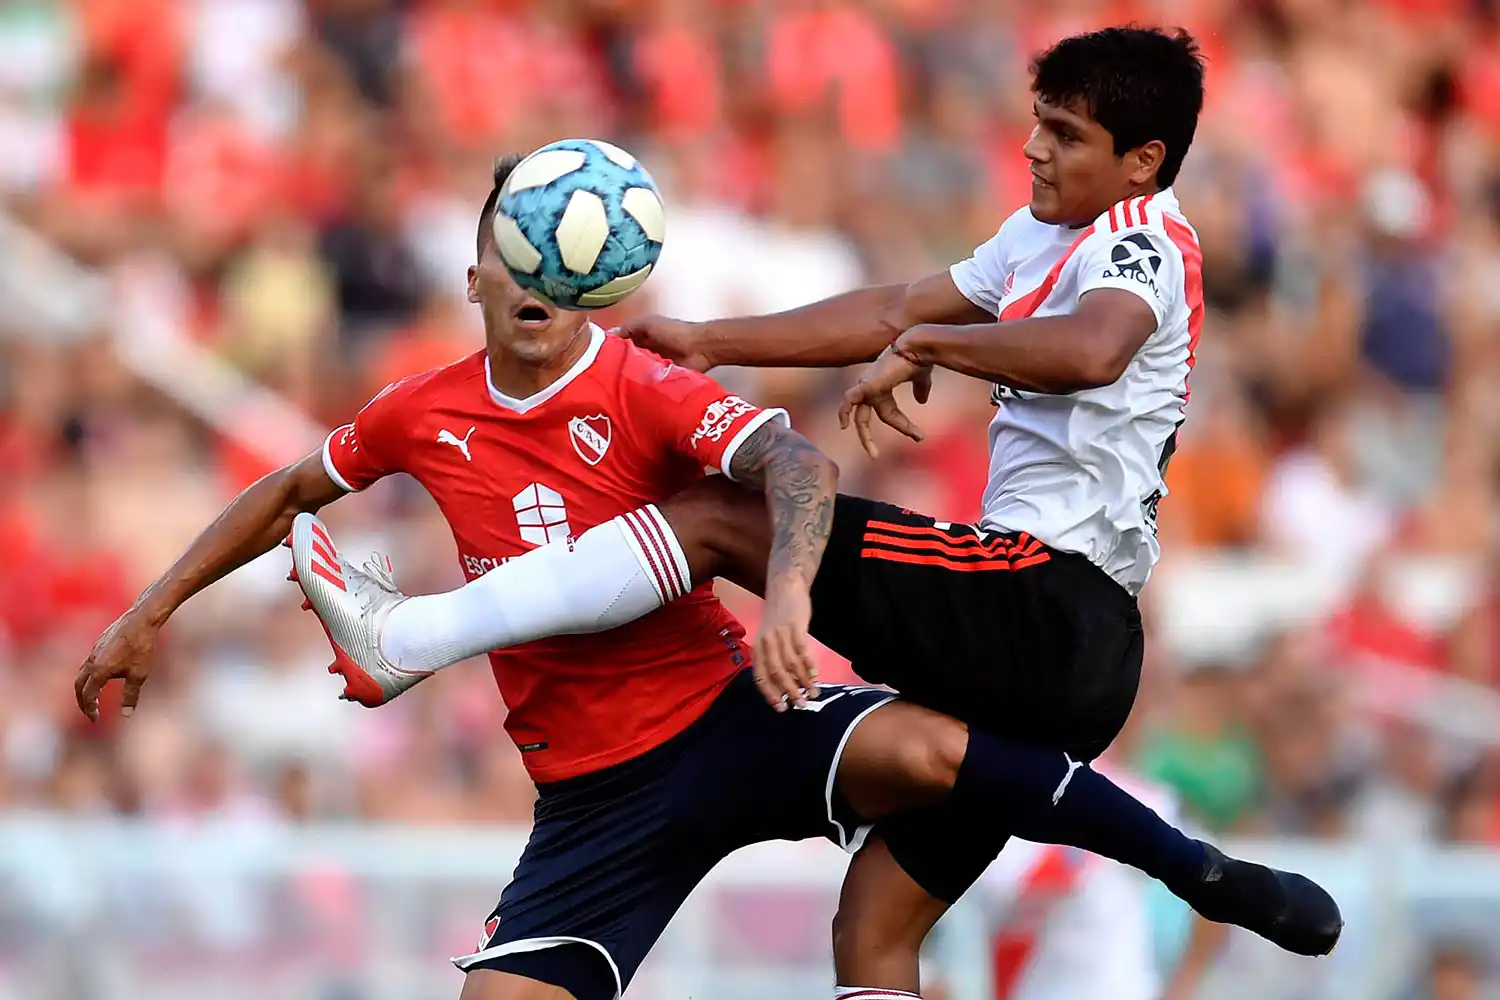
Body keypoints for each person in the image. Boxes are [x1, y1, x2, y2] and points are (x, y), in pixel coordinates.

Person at [76, 28, 1340, 1000]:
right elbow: (901, 298)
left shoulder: (1134, 240)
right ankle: (1213, 873)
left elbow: (1035, 371)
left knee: (725, 528)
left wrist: (820, 526)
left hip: (973, 620)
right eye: (1038, 126)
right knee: (876, 927)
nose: (1036, 151)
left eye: (1064, 134)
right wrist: (720, 335)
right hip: (594, 792)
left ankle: (408, 638)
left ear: (1142, 160)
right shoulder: (422, 410)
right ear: (473, 271)